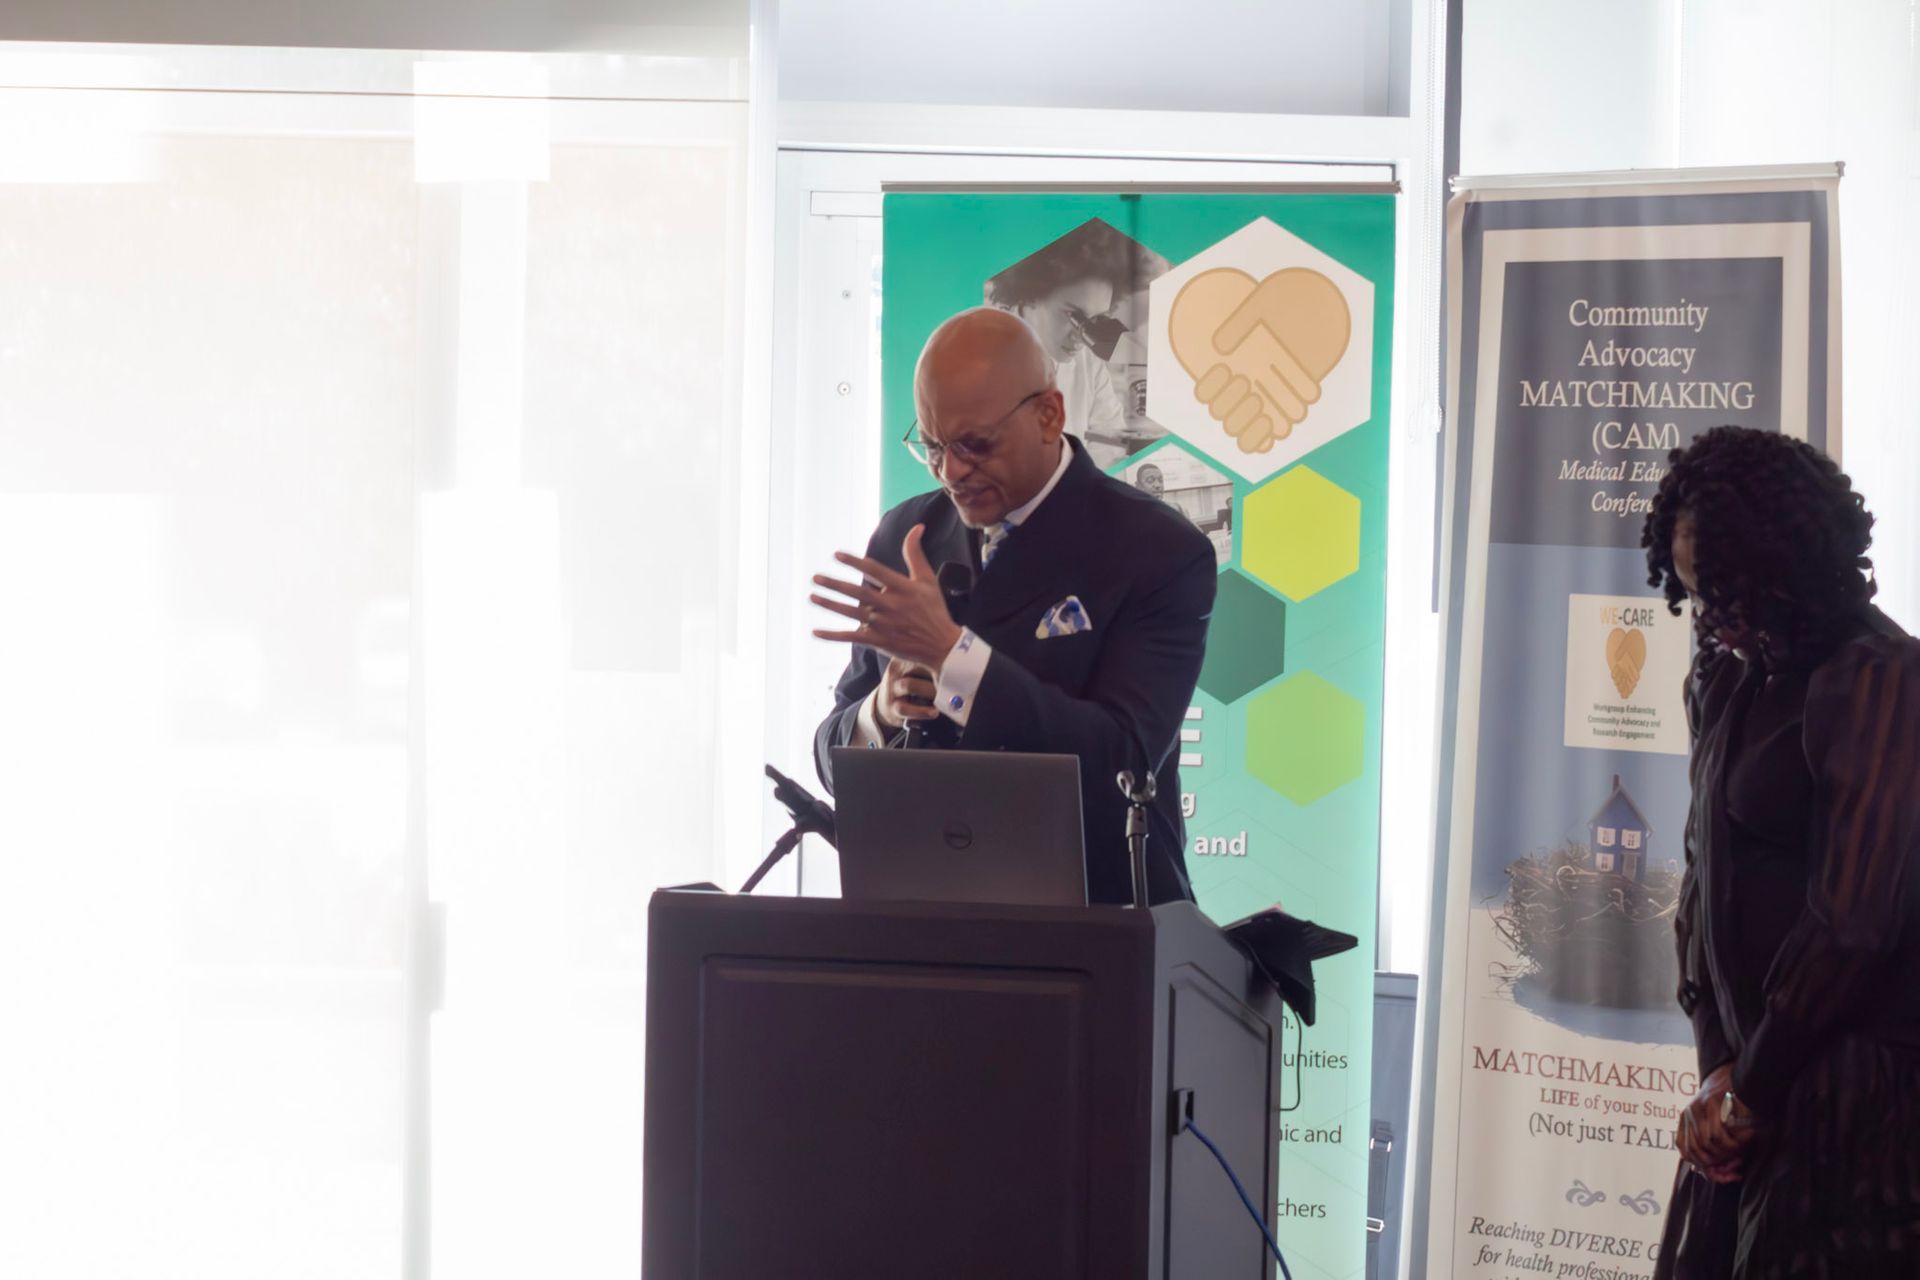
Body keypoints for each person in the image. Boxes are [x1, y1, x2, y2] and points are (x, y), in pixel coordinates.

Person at [809, 307, 1216, 906]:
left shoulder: (1157, 550)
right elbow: (830, 752)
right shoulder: (907, 535)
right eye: (932, 447)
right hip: (920, 918)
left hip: (1098, 924)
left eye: (974, 445)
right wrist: (881, 712)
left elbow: (1124, 766)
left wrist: (954, 660)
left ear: (1049, 415)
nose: (951, 472)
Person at [1642, 426, 1920, 1280]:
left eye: (1728, 595)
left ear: (1788, 567)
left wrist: (1749, 1090)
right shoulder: (1723, 676)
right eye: (1696, 595)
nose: (1713, 621)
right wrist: (1715, 1067)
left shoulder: (1881, 677)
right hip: (1744, 1091)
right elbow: (1702, 880)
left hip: (1854, 1107)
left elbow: (1853, 922)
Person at [984, 219, 1167, 468]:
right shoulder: (983, 354)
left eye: (1096, 319)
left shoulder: (1088, 363)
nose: (1082, 336)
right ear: (1031, 295)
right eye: (1073, 315)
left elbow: (1109, 442)